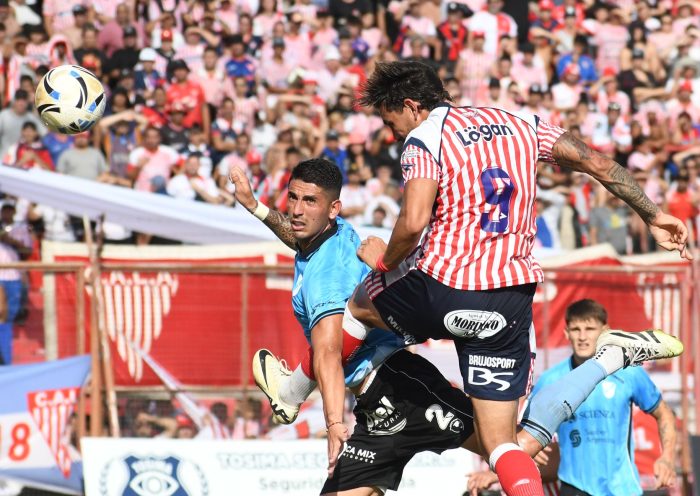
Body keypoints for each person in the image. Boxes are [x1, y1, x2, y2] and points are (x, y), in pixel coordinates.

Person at [322, 61, 690, 495]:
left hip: (443, 287)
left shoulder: (424, 138)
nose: (393, 133)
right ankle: (606, 362)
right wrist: (653, 214)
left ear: (412, 106)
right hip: (507, 301)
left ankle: (297, 391)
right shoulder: (521, 123)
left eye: (391, 122)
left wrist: (384, 262)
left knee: (355, 308)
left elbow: (414, 221)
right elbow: (596, 163)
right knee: (501, 444)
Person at [230, 159, 683, 496]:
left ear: (333, 208)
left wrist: (332, 423)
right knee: (510, 449)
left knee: (510, 447)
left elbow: (329, 352)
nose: (296, 209)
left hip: (400, 386)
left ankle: (607, 359)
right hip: (374, 404)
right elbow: (302, 237)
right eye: (292, 198)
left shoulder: (328, 279)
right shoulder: (327, 235)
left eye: (308, 201)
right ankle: (290, 391)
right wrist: (256, 207)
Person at [468, 299, 678, 496]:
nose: (582, 337)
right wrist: (497, 473)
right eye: (576, 329)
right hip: (573, 488)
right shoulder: (551, 380)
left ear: (605, 331)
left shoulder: (629, 373)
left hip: (623, 489)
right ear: (566, 333)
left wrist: (667, 458)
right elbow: (523, 437)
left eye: (590, 329)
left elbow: (664, 414)